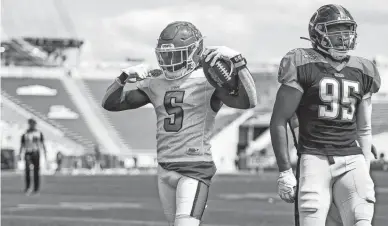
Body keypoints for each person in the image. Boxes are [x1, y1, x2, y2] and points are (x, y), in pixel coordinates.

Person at [102, 21, 257, 226]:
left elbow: (248, 101)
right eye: (166, 55)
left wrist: (238, 62)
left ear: (194, 52)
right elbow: (110, 104)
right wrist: (122, 77)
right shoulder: (155, 81)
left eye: (177, 54)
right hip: (164, 167)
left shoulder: (208, 79)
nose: (170, 60)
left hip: (195, 168)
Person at [270, 4, 381, 226]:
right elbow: (279, 120)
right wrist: (285, 171)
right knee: (312, 218)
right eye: (334, 30)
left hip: (351, 157)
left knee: (362, 220)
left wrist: (365, 162)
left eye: (346, 30)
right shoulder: (302, 62)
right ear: (318, 33)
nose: (343, 37)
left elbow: (364, 128)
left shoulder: (363, 69)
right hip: (314, 157)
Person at [19, 118, 47, 195]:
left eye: (33, 124)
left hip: (36, 152)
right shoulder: (25, 134)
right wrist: (20, 154)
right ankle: (28, 187)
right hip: (28, 153)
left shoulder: (39, 133)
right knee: (27, 170)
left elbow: (42, 144)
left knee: (36, 171)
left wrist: (45, 154)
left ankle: (36, 189)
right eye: (30, 123)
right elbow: (22, 145)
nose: (32, 125)